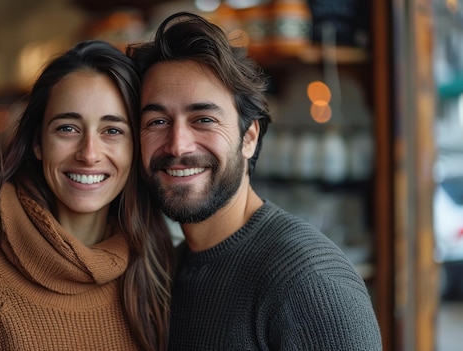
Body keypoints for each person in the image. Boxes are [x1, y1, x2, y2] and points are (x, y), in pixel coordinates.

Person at [0, 40, 174, 350]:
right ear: (38, 143)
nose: (89, 154)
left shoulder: (157, 271)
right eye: (67, 128)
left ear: (135, 148)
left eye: (113, 131)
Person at [127, 12, 382, 350]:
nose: (177, 145)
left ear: (248, 138)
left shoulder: (308, 283)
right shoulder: (167, 270)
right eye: (157, 121)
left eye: (203, 119)